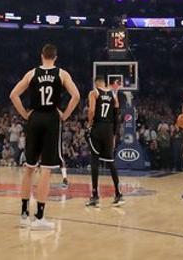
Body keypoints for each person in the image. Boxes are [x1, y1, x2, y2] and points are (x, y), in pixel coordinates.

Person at [9, 43, 80, 230]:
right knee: (46, 170)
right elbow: (76, 96)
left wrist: (25, 114)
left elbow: (13, 94)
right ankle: (39, 217)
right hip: (51, 119)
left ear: (42, 56)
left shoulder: (31, 73)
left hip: (35, 118)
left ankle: (24, 215)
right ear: (55, 57)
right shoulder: (62, 74)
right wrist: (64, 115)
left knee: (29, 168)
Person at [85, 76, 123, 208]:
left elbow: (91, 110)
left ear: (96, 83)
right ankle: (118, 194)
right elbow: (116, 115)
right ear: (105, 84)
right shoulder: (113, 94)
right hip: (109, 129)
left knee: (94, 160)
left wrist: (89, 124)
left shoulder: (94, 92)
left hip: (98, 127)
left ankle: (95, 196)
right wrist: (113, 134)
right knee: (111, 162)